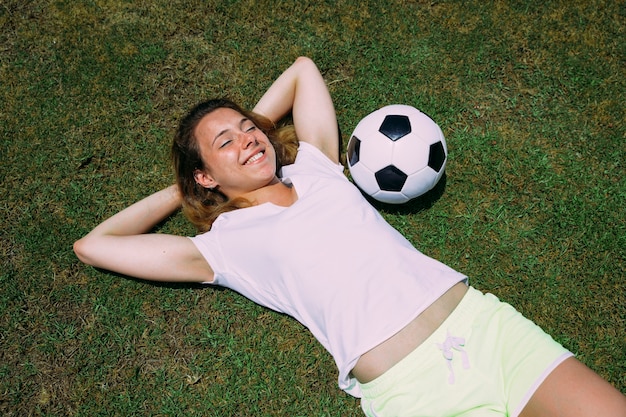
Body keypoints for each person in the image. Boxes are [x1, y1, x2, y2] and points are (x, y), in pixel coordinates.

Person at [74, 56, 626, 416]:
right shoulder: (221, 247)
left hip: (487, 329)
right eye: (226, 142)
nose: (247, 139)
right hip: (416, 394)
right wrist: (184, 190)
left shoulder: (314, 166)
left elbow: (303, 71)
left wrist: (248, 133)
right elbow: (94, 246)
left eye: (248, 128)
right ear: (205, 175)